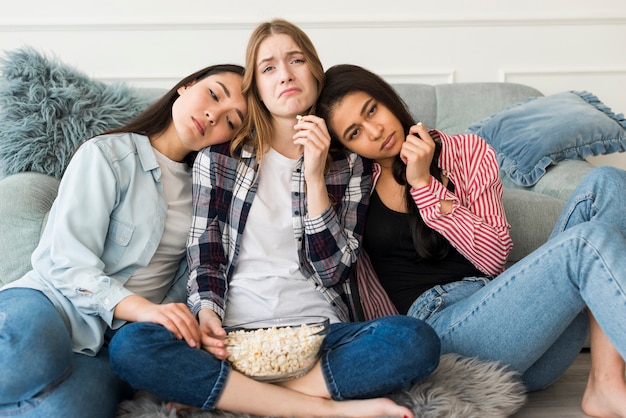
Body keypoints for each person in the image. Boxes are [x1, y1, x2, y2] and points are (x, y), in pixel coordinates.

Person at [108, 19, 440, 418]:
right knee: (131, 345)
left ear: (315, 73)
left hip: (322, 334)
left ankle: (237, 393)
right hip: (232, 340)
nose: (284, 74)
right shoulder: (220, 158)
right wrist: (207, 314)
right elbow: (206, 253)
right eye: (268, 68)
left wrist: (315, 175)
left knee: (414, 340)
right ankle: (324, 409)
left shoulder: (349, 163)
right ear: (257, 90)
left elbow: (334, 270)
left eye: (295, 60)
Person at [316, 63, 626, 418]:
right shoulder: (353, 190)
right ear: (346, 145)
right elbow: (327, 263)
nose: (375, 131)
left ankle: (606, 379)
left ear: (386, 98)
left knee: (609, 184)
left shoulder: (467, 151)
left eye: (372, 110)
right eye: (355, 132)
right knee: (586, 243)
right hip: (441, 339)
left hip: (518, 334)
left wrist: (425, 186)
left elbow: (493, 257)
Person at [0, 63, 247, 418]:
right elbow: (65, 261)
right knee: (19, 356)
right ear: (186, 86)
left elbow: (198, 282)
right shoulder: (108, 155)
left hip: (111, 347)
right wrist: (144, 308)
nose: (213, 114)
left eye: (232, 120)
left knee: (62, 411)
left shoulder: (206, 198)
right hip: (50, 303)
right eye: (214, 94)